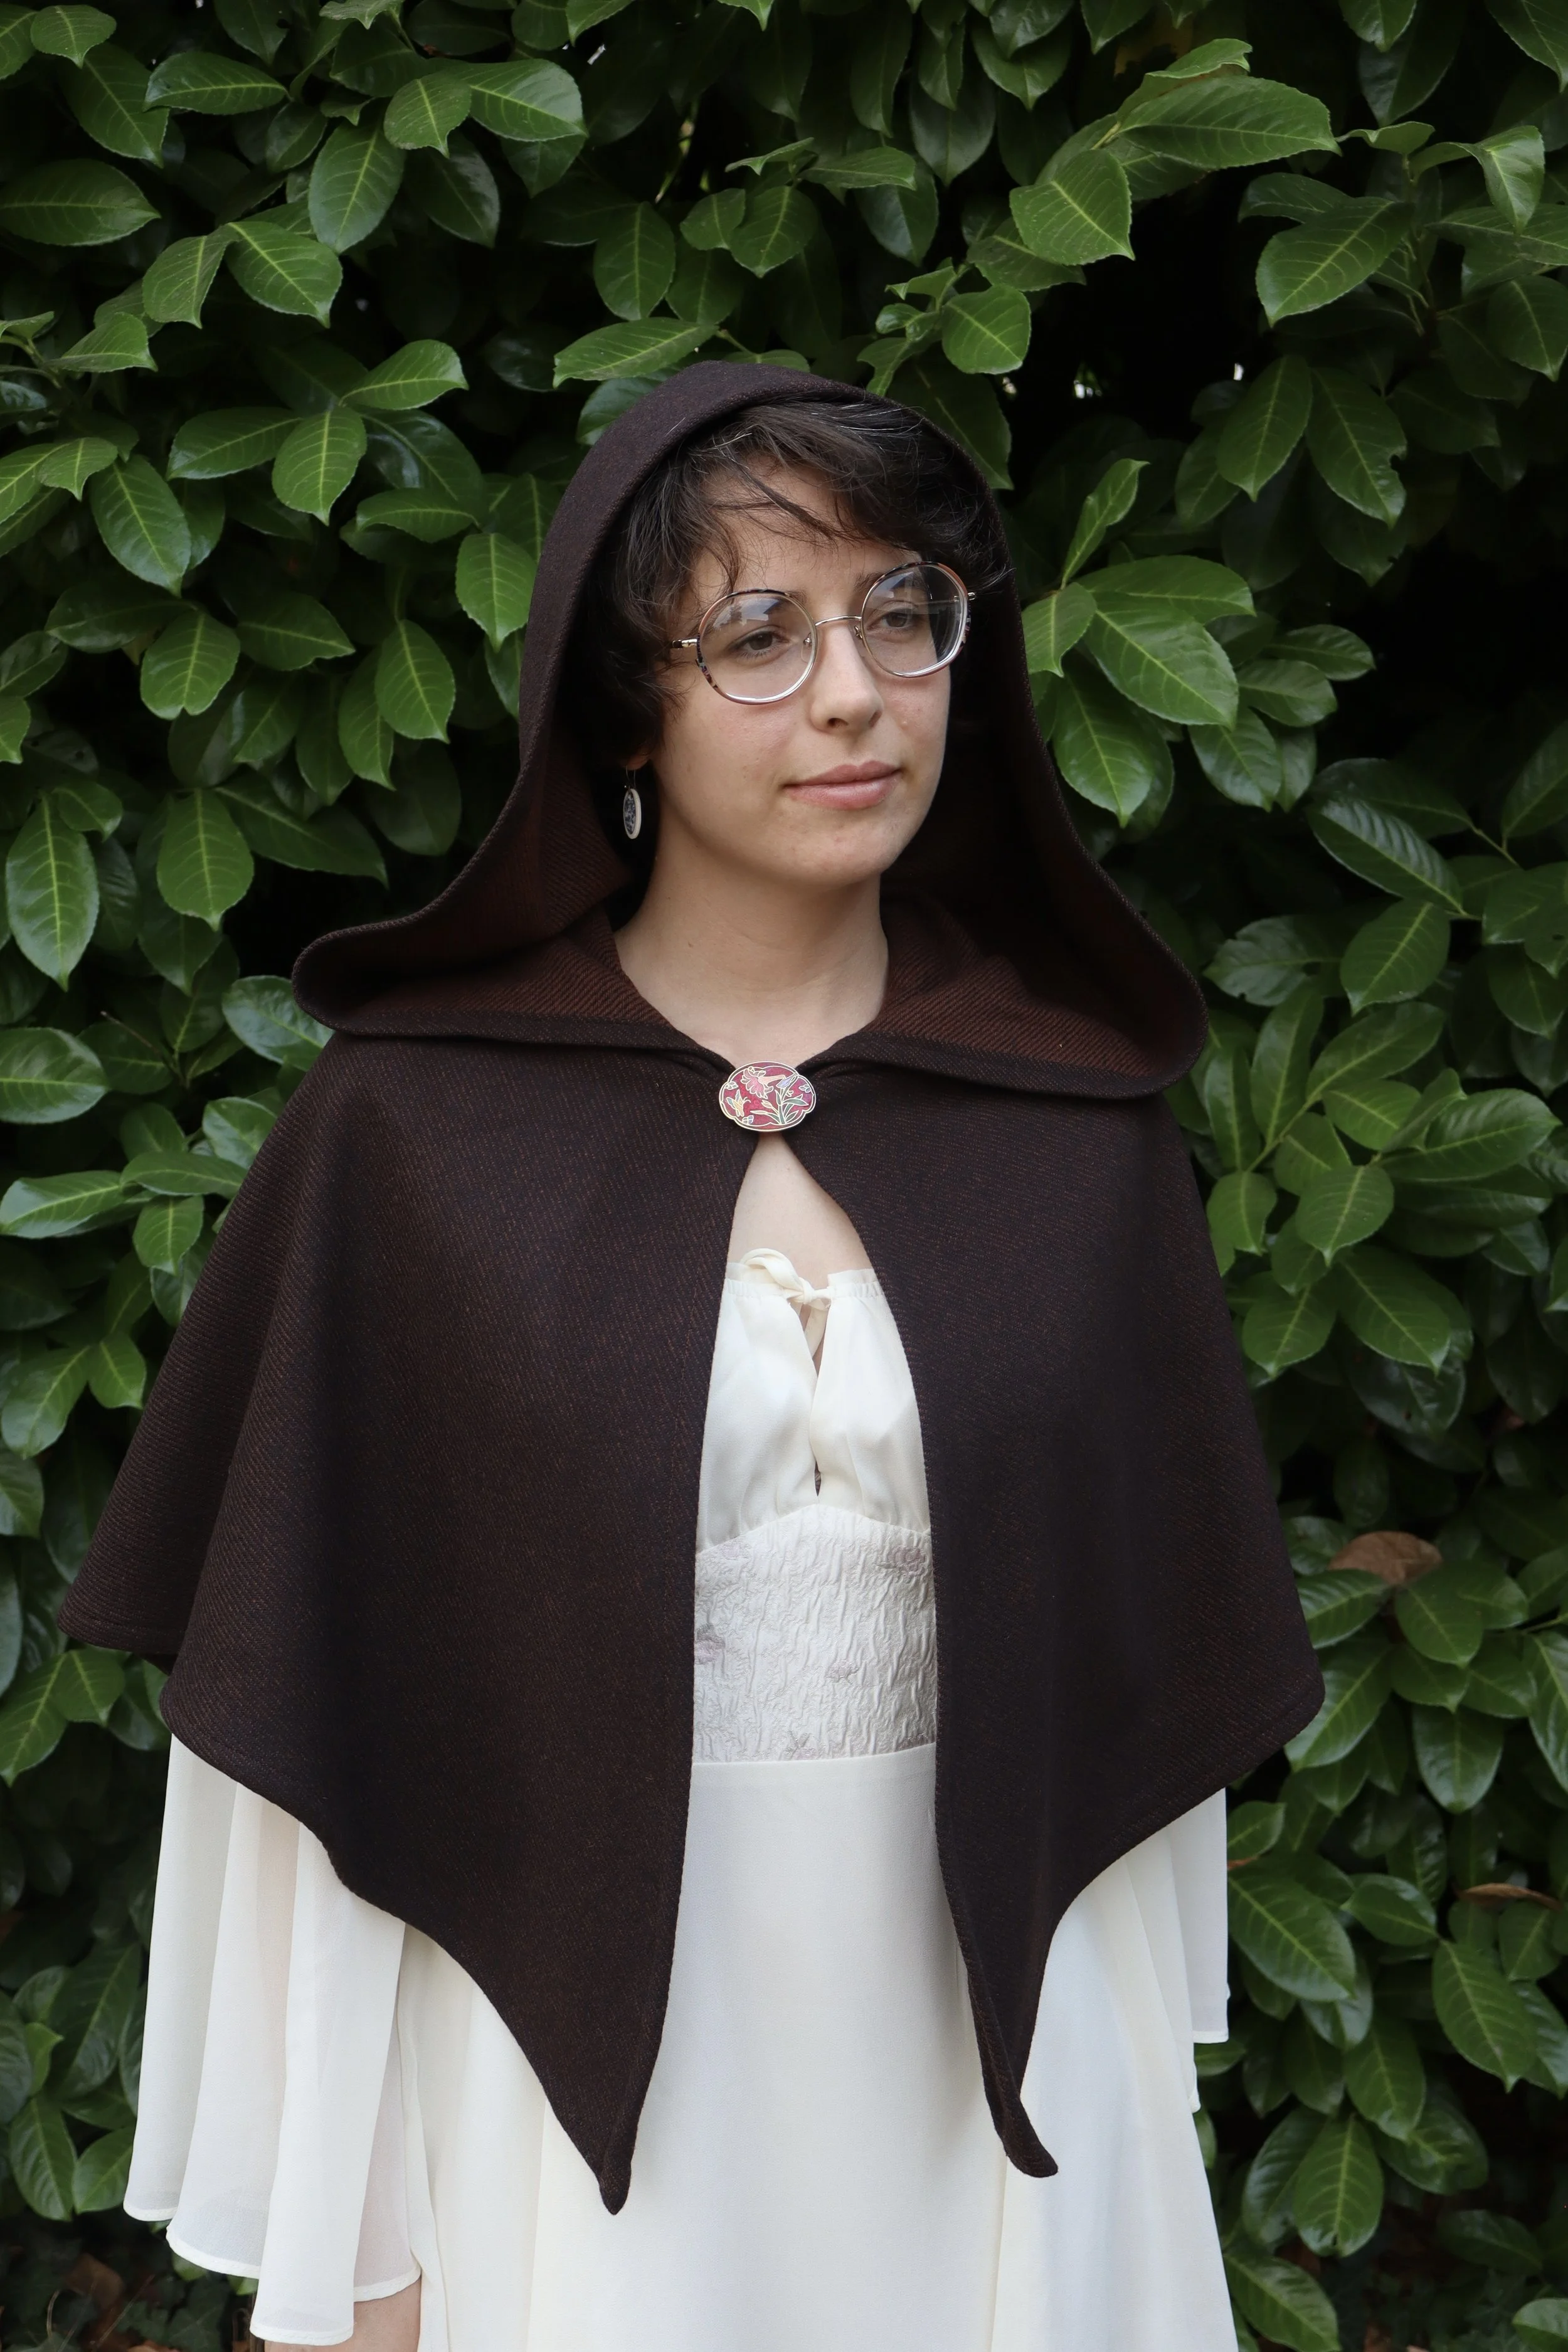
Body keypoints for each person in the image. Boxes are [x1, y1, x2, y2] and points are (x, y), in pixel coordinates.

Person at [62, 366, 1321, 2352]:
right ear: (622, 708)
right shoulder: (416, 1132)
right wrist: (359, 2259)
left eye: (903, 614)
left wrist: (1121, 2156)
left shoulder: (1071, 1128)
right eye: (759, 633)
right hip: (547, 2092)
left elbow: (1137, 1723)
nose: (853, 692)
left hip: (996, 2084)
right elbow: (312, 1730)